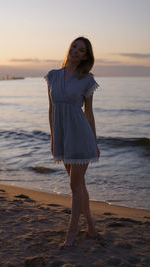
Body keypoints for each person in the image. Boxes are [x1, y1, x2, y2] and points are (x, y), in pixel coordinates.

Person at [45, 36, 100, 247]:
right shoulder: (52, 76)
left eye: (81, 50)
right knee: (79, 185)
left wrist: (94, 142)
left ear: (86, 56)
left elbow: (89, 113)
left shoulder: (87, 80)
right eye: (74, 46)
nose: (76, 51)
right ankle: (91, 226)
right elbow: (51, 109)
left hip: (80, 135)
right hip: (63, 136)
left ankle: (72, 231)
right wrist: (53, 138)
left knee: (74, 185)